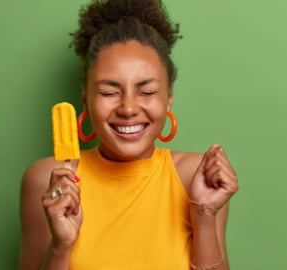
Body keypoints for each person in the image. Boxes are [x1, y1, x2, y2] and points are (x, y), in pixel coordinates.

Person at [18, 0, 239, 269]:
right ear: (85, 98)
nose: (128, 108)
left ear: (168, 98)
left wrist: (203, 214)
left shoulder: (197, 178)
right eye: (109, 93)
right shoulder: (47, 181)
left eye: (146, 92)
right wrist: (62, 247)